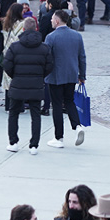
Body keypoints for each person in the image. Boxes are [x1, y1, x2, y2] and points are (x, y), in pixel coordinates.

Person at [2, 17, 53, 154]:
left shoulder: (14, 47)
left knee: (13, 113)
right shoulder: (44, 48)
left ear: (23, 29)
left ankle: (13, 142)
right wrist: (40, 76)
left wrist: (15, 76)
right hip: (36, 84)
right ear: (36, 28)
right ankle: (34, 145)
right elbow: (49, 66)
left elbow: (7, 65)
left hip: (18, 83)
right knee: (36, 114)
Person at [43, 10, 86, 148]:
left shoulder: (51, 37)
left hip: (56, 75)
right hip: (72, 74)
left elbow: (47, 58)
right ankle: (77, 125)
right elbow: (82, 57)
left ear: (56, 21)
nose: (50, 21)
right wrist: (82, 75)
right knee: (69, 101)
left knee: (56, 105)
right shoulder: (77, 36)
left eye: (52, 19)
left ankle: (59, 137)